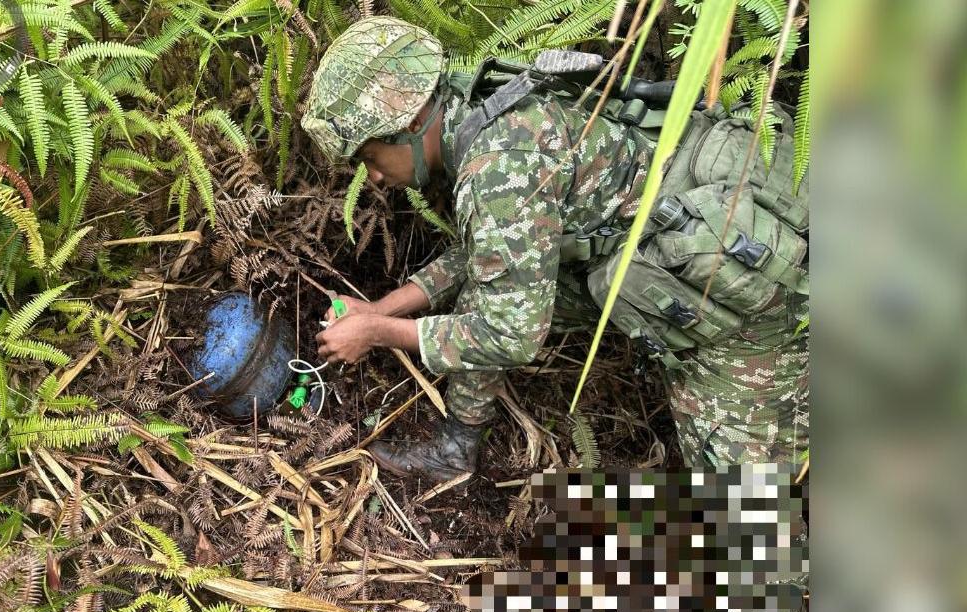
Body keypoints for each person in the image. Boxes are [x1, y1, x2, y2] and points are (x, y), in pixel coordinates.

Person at [302, 17, 809, 481]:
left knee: (745, 503)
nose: (372, 176)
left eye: (370, 156)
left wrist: (377, 333)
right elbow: (492, 257)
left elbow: (510, 336)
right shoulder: (482, 99)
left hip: (749, 281)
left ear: (411, 123)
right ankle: (457, 449)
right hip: (669, 232)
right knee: (488, 294)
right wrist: (380, 309)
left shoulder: (497, 169)